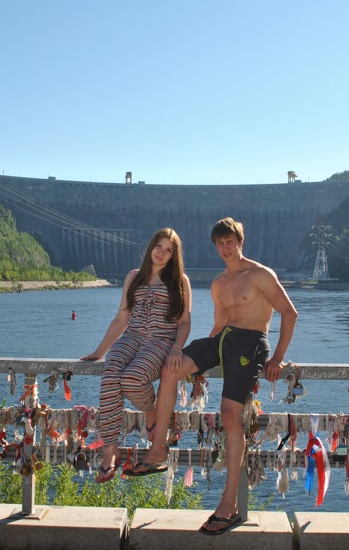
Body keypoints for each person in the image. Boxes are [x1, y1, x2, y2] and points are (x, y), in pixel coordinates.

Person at [125, 217, 297, 536]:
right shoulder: (218, 283)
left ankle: (228, 504)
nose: (225, 248)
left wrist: (278, 359)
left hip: (251, 342)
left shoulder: (260, 274)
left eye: (230, 241)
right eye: (220, 243)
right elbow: (218, 327)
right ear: (215, 246)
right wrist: (196, 362)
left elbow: (290, 312)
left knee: (230, 416)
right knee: (169, 368)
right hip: (223, 339)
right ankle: (159, 447)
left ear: (240, 242)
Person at [80, 228, 192, 484]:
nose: (162, 253)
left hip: (161, 342)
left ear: (174, 255)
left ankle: (152, 413)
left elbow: (184, 321)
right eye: (158, 247)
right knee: (110, 374)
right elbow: (122, 318)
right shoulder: (133, 277)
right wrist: (100, 351)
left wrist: (176, 347)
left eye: (168, 250)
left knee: (131, 379)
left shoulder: (180, 281)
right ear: (150, 247)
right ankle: (110, 450)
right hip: (132, 338)